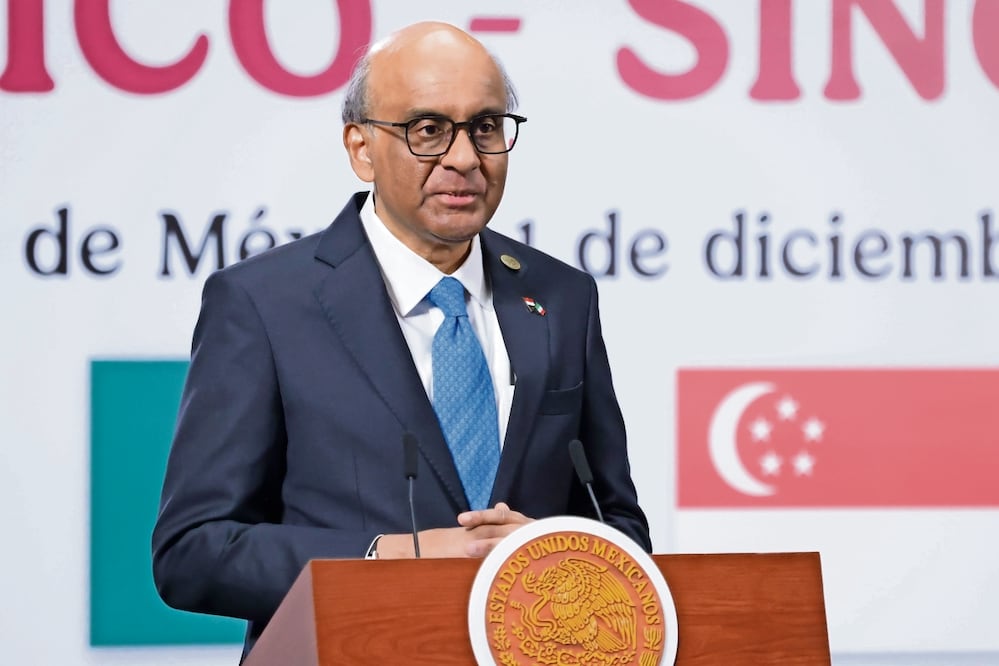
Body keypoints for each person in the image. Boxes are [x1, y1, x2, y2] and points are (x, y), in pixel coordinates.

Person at [151, 21, 650, 659]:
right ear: (361, 149)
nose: (465, 158)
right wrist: (380, 556)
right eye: (427, 129)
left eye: (486, 127)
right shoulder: (263, 304)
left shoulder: (562, 297)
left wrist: (550, 552)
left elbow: (621, 526)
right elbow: (192, 552)